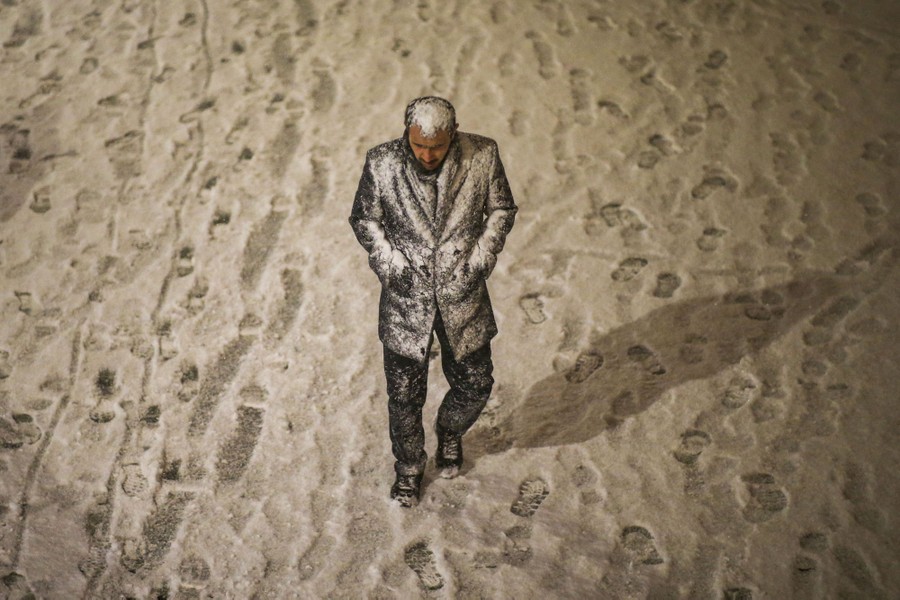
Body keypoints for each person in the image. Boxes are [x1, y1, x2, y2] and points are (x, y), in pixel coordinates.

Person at [350, 96, 517, 507]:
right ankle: (408, 468)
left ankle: (450, 431)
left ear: (453, 136)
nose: (426, 154)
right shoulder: (382, 162)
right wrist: (392, 266)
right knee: (404, 396)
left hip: (463, 294)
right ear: (406, 134)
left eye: (436, 147)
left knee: (477, 383)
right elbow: (365, 219)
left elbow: (501, 209)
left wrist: (478, 261)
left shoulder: (483, 155)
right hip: (407, 300)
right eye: (419, 145)